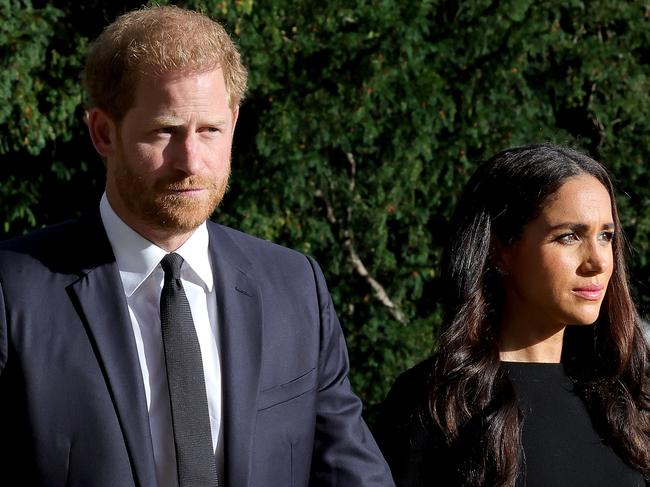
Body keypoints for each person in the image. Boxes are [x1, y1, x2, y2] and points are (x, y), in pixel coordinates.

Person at [0, 6, 394, 487]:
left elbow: (350, 471)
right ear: (103, 132)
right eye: (164, 131)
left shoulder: (294, 287)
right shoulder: (14, 291)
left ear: (233, 121)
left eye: (210, 130)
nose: (190, 161)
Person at [376, 144, 650, 486]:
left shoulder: (626, 394)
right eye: (568, 236)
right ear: (501, 250)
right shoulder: (437, 403)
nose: (598, 261)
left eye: (606, 236)